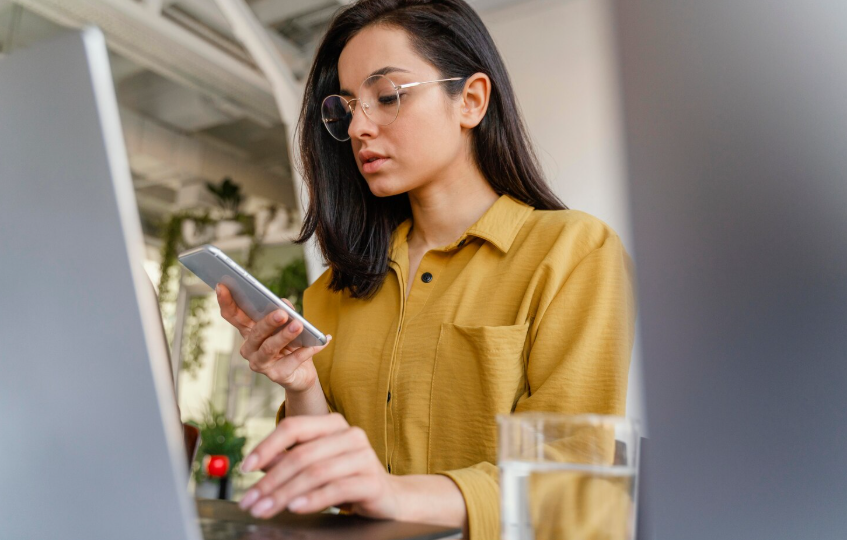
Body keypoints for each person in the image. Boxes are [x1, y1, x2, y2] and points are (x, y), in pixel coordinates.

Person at [213, 0, 635, 538]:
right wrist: (301, 386)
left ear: (472, 100)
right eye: (346, 108)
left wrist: (393, 494)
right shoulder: (332, 291)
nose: (360, 127)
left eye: (387, 96)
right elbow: (325, 483)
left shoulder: (574, 253)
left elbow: (574, 478)